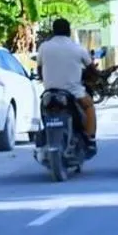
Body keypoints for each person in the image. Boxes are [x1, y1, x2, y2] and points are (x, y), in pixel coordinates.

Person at [36, 18, 97, 156]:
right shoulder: (77, 48)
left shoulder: (44, 47)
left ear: (53, 31)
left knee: (44, 111)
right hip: (73, 92)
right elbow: (92, 69)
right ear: (69, 31)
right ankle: (90, 138)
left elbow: (39, 69)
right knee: (89, 106)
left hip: (50, 92)